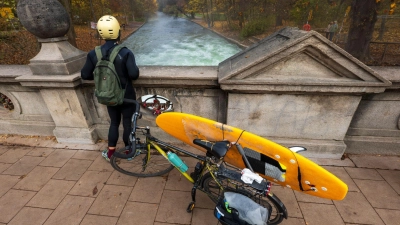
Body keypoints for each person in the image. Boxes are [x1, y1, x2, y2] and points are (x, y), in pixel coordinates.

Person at [81, 15, 140, 162]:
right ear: (118, 32)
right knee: (127, 123)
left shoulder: (94, 53)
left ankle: (111, 153)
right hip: (126, 95)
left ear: (101, 34)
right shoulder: (126, 52)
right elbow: (134, 74)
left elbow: (84, 75)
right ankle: (128, 152)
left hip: (108, 95)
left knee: (114, 123)